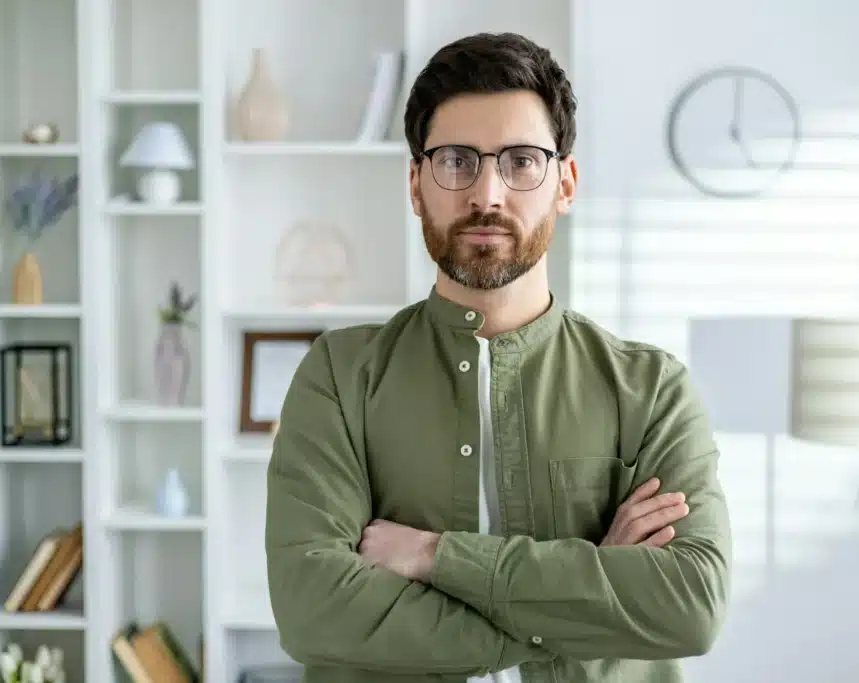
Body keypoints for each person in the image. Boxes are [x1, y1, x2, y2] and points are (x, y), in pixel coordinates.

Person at [265, 31, 732, 683]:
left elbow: (689, 605)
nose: (487, 193)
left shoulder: (651, 389)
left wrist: (435, 556)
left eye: (520, 161)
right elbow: (311, 608)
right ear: (415, 183)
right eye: (456, 160)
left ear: (565, 183)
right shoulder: (340, 376)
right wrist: (584, 598)